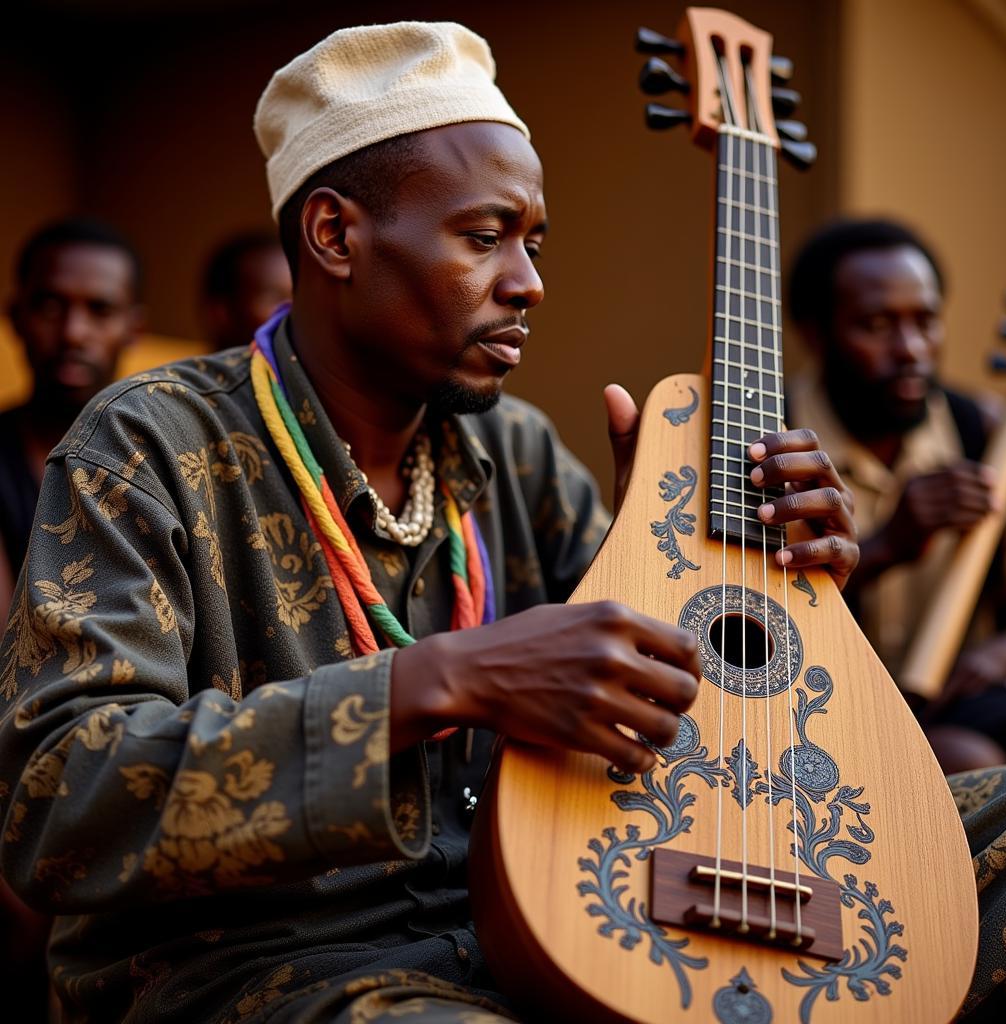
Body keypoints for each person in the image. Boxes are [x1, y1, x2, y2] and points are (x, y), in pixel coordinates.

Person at [0, 22, 880, 1024]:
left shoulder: (519, 450)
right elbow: (56, 804)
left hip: (554, 923)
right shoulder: (144, 447)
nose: (528, 281)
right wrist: (439, 679)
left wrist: (726, 573)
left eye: (532, 241)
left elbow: (677, 740)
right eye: (482, 236)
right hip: (266, 969)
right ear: (335, 236)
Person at [787, 218, 1006, 772]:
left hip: (961, 705)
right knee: (966, 761)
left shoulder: (983, 436)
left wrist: (995, 654)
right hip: (816, 714)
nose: (912, 348)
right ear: (814, 334)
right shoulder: (769, 438)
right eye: (876, 325)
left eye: (926, 321)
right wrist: (889, 543)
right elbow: (744, 625)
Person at [0, 217, 144, 629]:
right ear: (16, 317)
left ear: (134, 329)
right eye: (49, 306)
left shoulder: (166, 461)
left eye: (100, 310)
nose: (72, 333)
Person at [199, 231, 292, 350]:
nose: (293, 310)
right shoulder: (173, 368)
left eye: (299, 296)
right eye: (274, 297)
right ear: (220, 313)